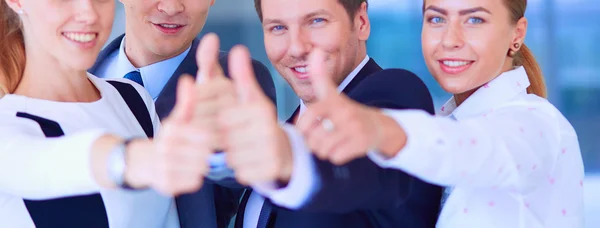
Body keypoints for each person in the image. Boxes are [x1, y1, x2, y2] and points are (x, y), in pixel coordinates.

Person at [297, 0, 585, 227]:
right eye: (437, 18)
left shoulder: (538, 122)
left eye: (475, 19)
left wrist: (381, 129)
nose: (450, 40)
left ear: (517, 34)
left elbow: (478, 149)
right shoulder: (448, 123)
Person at [212, 0, 443, 227]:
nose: (296, 48)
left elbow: (351, 176)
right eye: (278, 28)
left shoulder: (393, 95)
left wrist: (291, 163)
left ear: (361, 22)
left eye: (316, 21)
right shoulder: (288, 129)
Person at [0, 0, 219, 227]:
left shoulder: (133, 99)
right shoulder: (6, 128)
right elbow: (48, 161)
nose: (88, 14)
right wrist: (130, 159)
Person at [87, 0, 277, 227]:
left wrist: (221, 149)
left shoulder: (236, 82)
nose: (171, 7)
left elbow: (236, 173)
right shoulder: (75, 77)